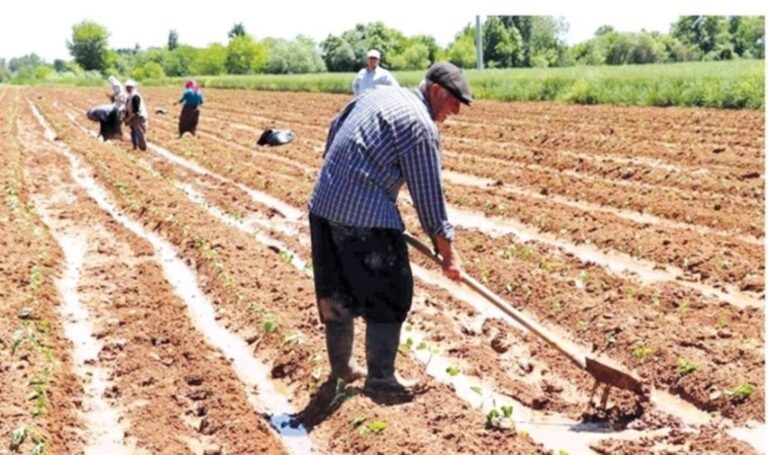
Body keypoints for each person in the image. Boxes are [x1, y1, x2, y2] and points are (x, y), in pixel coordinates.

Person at [309, 62, 472, 394]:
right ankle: (381, 380)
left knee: (336, 294)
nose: (455, 110)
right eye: (454, 100)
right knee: (390, 292)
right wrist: (449, 253)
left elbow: (333, 125)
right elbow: (429, 197)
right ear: (437, 91)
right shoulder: (420, 126)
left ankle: (342, 370)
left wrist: (341, 176)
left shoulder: (377, 95)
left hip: (323, 204)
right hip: (364, 215)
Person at [123, 79, 148, 151]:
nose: (128, 88)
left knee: (140, 133)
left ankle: (143, 148)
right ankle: (135, 146)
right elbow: (128, 108)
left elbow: (136, 111)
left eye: (130, 87)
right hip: (133, 117)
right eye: (127, 87)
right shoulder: (129, 96)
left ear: (133, 87)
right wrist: (125, 117)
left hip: (139, 117)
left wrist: (128, 118)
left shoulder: (135, 96)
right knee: (133, 131)